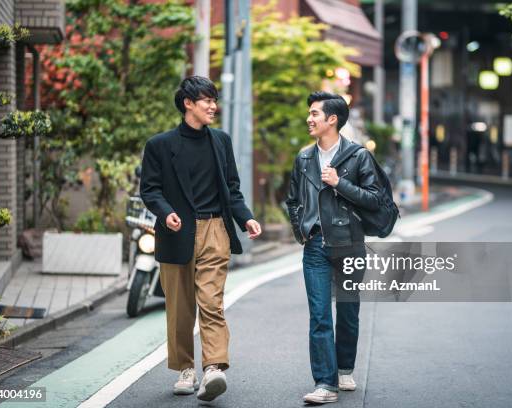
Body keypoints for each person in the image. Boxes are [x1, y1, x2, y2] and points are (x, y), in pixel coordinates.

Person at [140, 76, 261, 402]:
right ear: (187, 104)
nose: (213, 106)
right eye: (206, 100)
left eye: (214, 100)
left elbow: (231, 188)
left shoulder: (220, 141)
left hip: (214, 230)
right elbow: (149, 189)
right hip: (177, 232)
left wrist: (246, 217)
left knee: (211, 303)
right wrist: (166, 212)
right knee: (179, 308)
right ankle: (185, 368)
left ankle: (213, 368)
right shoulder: (160, 145)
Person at [286, 92, 383, 404]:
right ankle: (325, 384)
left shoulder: (358, 157)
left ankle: (344, 367)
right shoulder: (303, 158)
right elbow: (292, 200)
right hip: (315, 246)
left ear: (332, 120)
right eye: (310, 113)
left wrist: (340, 183)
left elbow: (375, 199)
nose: (309, 118)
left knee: (348, 312)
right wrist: (301, 229)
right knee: (319, 315)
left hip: (350, 245)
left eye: (315, 113)